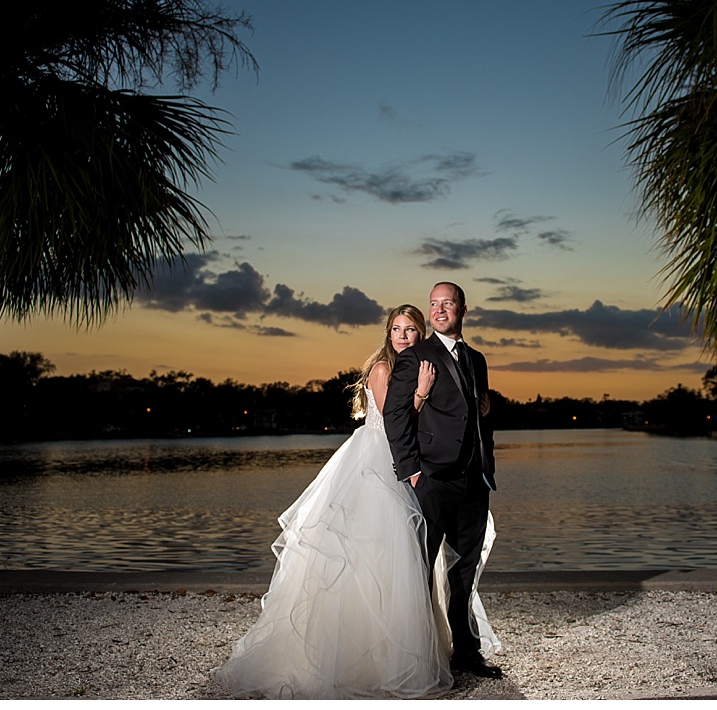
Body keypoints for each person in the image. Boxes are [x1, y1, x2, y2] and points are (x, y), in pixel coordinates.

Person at [213, 304, 496, 699]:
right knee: (376, 559)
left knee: (406, 562)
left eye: (411, 330)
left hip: (410, 465)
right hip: (378, 463)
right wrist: (421, 394)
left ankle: (420, 649)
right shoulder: (384, 369)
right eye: (397, 329)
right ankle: (369, 655)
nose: (404, 336)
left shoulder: (416, 364)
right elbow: (396, 419)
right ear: (388, 333)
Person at [384, 282, 503, 680]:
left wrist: (487, 415)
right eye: (433, 304)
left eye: (446, 303)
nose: (438, 310)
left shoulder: (478, 359)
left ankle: (466, 652)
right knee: (420, 568)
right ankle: (416, 658)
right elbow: (395, 416)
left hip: (473, 479)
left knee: (465, 569)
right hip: (431, 478)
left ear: (463, 310)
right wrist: (412, 471)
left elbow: (473, 414)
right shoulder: (416, 356)